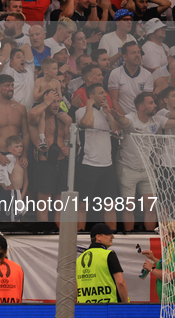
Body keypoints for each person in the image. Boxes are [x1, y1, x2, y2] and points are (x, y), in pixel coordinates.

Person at [110, 92, 175, 231]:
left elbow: (171, 123)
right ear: (141, 107)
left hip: (146, 168)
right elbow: (123, 122)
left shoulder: (157, 120)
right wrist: (116, 116)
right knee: (129, 207)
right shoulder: (131, 118)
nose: (155, 105)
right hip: (127, 168)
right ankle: (131, 237)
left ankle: (150, 235)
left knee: (151, 206)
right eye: (151, 103)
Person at [0, 74, 29, 222]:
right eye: (6, 85)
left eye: (12, 85)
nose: (10, 88)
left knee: (18, 195)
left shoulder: (20, 108)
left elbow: (26, 134)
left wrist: (24, 155)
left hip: (17, 157)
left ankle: (17, 230)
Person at [75, 84, 120, 230]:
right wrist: (89, 104)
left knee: (110, 204)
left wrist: (109, 114)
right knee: (83, 204)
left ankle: (112, 236)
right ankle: (80, 235)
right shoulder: (81, 111)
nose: (105, 95)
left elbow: (117, 133)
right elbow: (87, 123)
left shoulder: (105, 112)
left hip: (107, 164)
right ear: (92, 96)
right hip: (88, 163)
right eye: (101, 93)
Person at [28, 90, 69, 224]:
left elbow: (69, 136)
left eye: (58, 101)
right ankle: (44, 233)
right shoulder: (39, 119)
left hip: (61, 163)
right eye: (53, 102)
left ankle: (58, 234)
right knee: (44, 203)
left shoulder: (61, 119)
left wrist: (68, 148)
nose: (56, 105)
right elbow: (32, 113)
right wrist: (46, 101)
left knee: (60, 203)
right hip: (44, 163)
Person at [76, 223, 129, 303]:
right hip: (108, 309)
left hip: (85, 309)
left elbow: (75, 288)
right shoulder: (109, 254)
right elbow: (120, 283)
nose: (112, 237)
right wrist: (126, 306)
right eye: (108, 234)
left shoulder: (79, 259)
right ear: (98, 237)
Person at [0, 135, 28, 222]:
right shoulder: (6, 160)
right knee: (6, 218)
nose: (20, 149)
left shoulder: (23, 162)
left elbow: (26, 181)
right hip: (8, 193)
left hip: (19, 193)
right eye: (16, 147)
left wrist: (22, 195)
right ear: (9, 149)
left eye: (21, 146)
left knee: (18, 218)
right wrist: (3, 185)